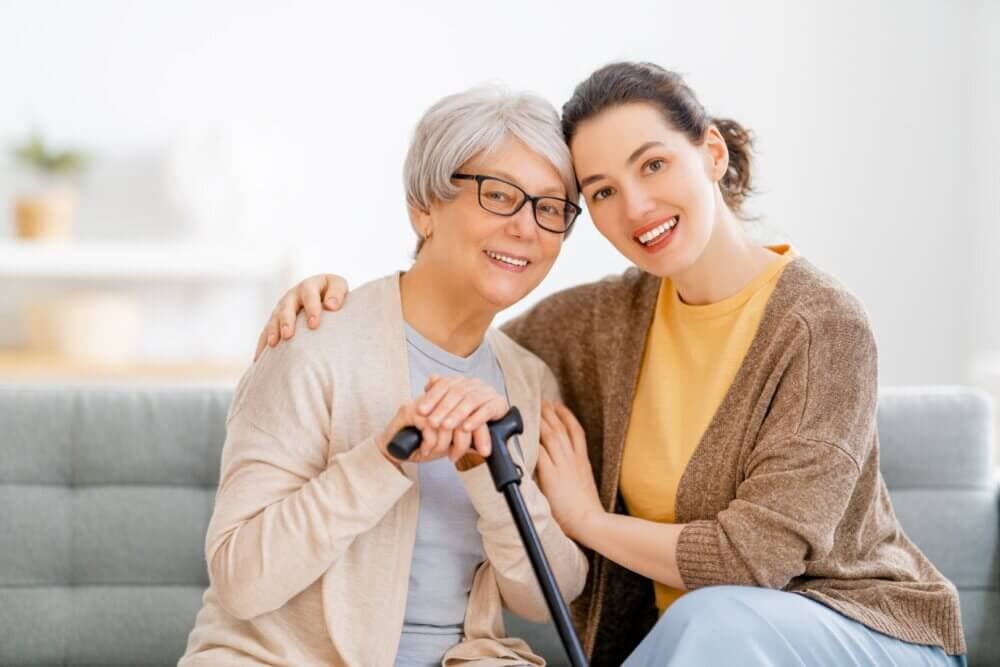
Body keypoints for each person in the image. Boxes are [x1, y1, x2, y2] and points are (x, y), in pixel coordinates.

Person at [257, 62, 968, 666]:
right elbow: (452, 329)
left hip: (864, 632)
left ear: (712, 153)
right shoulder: (599, 322)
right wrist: (337, 302)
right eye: (600, 190)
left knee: (713, 620)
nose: (635, 205)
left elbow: (758, 560)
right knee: (701, 630)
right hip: (695, 650)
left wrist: (587, 520)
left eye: (653, 164)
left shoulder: (822, 326)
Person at [180, 86, 588, 667]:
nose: (527, 227)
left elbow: (546, 596)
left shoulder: (528, 379)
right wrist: (382, 459)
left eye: (551, 208)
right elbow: (242, 580)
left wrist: (489, 469)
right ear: (424, 206)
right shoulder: (312, 343)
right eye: (499, 195)